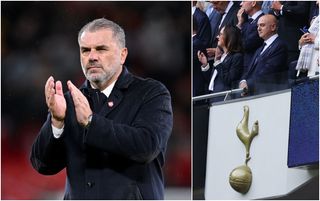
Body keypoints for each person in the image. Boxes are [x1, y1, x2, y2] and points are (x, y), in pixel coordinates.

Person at [30, 18, 173, 200]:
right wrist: (56, 122)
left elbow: (147, 147)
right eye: (85, 50)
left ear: (123, 54)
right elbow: (42, 164)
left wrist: (91, 122)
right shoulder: (67, 102)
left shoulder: (151, 93)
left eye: (101, 49)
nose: (92, 57)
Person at [239, 14, 288, 96]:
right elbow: (249, 70)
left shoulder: (280, 46)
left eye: (262, 25)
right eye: (258, 26)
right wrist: (243, 81)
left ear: (273, 27)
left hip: (268, 94)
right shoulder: (260, 48)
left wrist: (248, 84)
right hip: (254, 93)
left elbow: (268, 71)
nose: (258, 29)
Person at [198, 24, 243, 102]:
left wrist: (218, 62)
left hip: (223, 98)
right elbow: (212, 80)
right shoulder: (221, 56)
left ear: (230, 37)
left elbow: (229, 79)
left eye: (221, 34)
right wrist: (205, 64)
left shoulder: (237, 57)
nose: (217, 37)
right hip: (212, 97)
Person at [237, 1, 264, 75]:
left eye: (244, 1)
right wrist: (239, 24)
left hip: (252, 67)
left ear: (253, 3)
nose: (241, 4)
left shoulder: (262, 21)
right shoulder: (246, 22)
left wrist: (239, 27)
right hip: (242, 66)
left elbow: (245, 44)